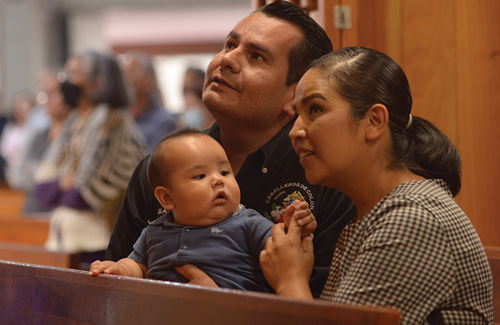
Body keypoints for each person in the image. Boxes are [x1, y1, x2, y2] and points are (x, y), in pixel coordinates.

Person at [105, 0, 356, 298]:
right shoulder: (160, 168)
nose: (227, 60)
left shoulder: (325, 177)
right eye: (229, 45)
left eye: (256, 57)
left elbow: (323, 305)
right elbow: (113, 287)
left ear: (295, 94)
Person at [259, 47, 494, 324]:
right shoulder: (375, 214)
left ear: (374, 121)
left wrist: (290, 280)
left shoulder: (413, 219)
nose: (295, 132)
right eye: (297, 113)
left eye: (315, 109)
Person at [90, 129, 313, 291]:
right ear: (167, 198)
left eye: (225, 172)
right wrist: (118, 269)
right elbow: (137, 265)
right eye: (200, 176)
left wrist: (295, 225)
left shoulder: (246, 221)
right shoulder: (154, 231)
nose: (218, 180)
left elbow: (281, 249)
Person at [33, 50, 147, 268]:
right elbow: (39, 189)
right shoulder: (74, 120)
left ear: (96, 82)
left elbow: (85, 194)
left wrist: (61, 186)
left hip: (100, 244)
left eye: (74, 73)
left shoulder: (112, 121)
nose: (65, 81)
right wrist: (63, 184)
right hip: (65, 242)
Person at [13, 69, 72, 214]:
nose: (47, 100)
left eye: (53, 93)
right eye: (43, 94)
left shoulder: (75, 133)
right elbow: (18, 175)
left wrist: (38, 174)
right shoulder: (39, 134)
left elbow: (71, 179)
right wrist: (50, 179)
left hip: (59, 213)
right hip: (33, 210)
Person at [119, 51, 177, 152]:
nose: (122, 81)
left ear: (147, 81)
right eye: (121, 74)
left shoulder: (163, 122)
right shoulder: (117, 117)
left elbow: (153, 164)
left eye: (128, 74)